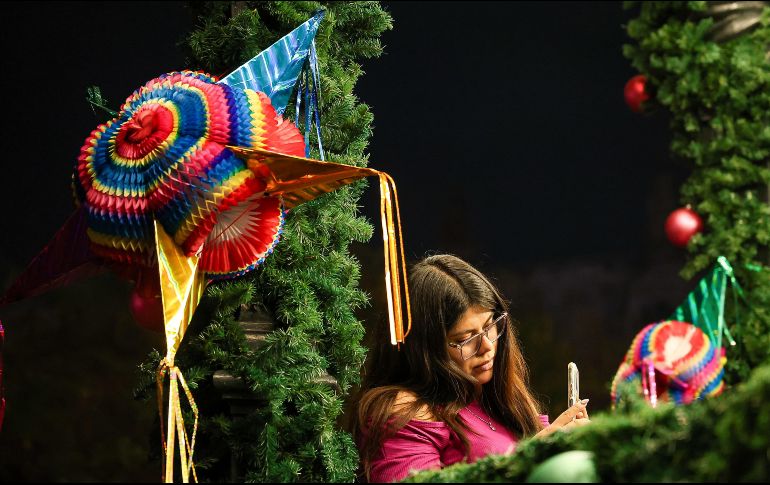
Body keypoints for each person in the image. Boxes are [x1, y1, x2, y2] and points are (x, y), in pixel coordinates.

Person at [350, 254, 590, 482]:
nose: (487, 346)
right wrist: (532, 458)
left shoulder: (492, 395)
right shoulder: (401, 413)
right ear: (425, 348)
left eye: (490, 326)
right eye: (466, 339)